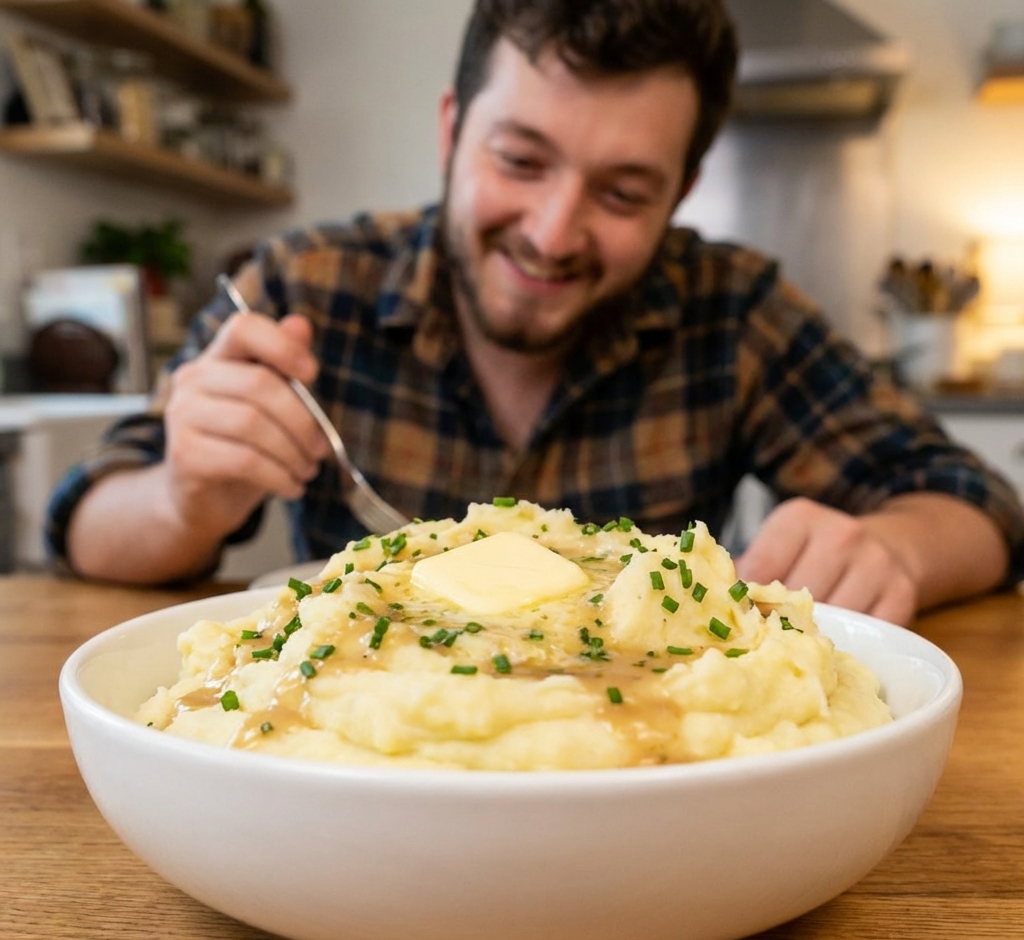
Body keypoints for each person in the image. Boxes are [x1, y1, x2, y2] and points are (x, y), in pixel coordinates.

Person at [50, 0, 1023, 625]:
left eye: (623, 191)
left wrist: (892, 545)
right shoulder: (306, 284)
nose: (554, 233)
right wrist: (183, 494)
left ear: (681, 189)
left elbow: (974, 502)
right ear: (450, 129)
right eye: (519, 161)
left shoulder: (734, 311)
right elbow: (87, 524)